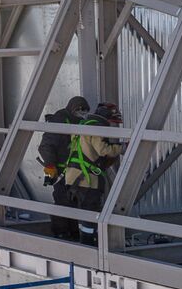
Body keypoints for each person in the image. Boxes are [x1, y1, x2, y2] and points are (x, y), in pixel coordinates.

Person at [64, 102, 124, 246]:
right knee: (90, 214)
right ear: (106, 118)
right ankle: (89, 245)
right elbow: (103, 150)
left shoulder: (82, 125)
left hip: (72, 177)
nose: (112, 125)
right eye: (111, 122)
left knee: (82, 214)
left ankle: (84, 242)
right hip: (87, 180)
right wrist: (121, 148)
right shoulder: (96, 128)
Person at [39, 96, 91, 240]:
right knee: (62, 202)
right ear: (73, 109)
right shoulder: (60, 120)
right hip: (61, 171)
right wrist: (51, 166)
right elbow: (45, 146)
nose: (83, 114)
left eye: (85, 111)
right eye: (80, 111)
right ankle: (61, 234)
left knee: (76, 204)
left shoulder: (83, 122)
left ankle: (74, 235)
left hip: (78, 172)